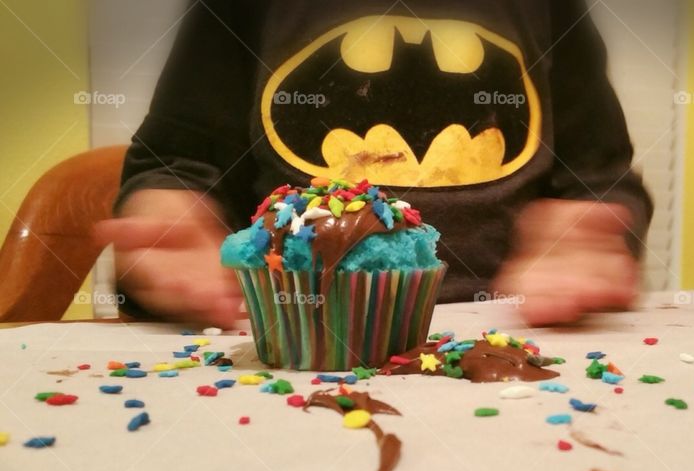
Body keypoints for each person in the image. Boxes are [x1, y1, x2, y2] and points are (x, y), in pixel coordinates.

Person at [95, 0, 653, 328]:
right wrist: (168, 215)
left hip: (501, 325)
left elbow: (601, 178)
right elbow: (177, 160)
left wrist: (585, 237)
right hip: (292, 330)